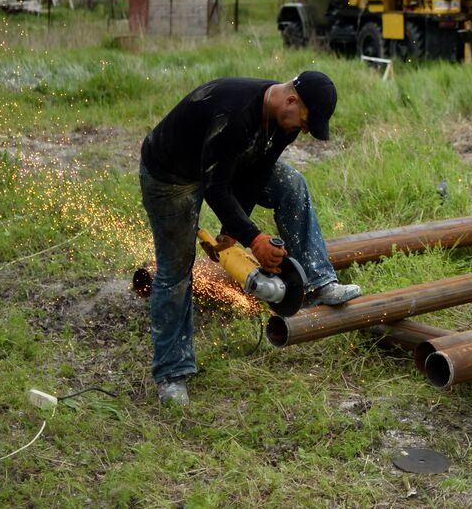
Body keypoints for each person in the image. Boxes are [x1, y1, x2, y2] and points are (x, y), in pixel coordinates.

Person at [139, 70, 361, 407]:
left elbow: (258, 171)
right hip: (172, 175)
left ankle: (318, 282)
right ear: (291, 100)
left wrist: (232, 231)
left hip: (223, 163)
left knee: (292, 185)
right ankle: (172, 373)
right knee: (175, 271)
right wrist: (254, 239)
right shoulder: (237, 114)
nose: (303, 129)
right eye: (304, 121)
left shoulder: (283, 123)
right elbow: (215, 187)